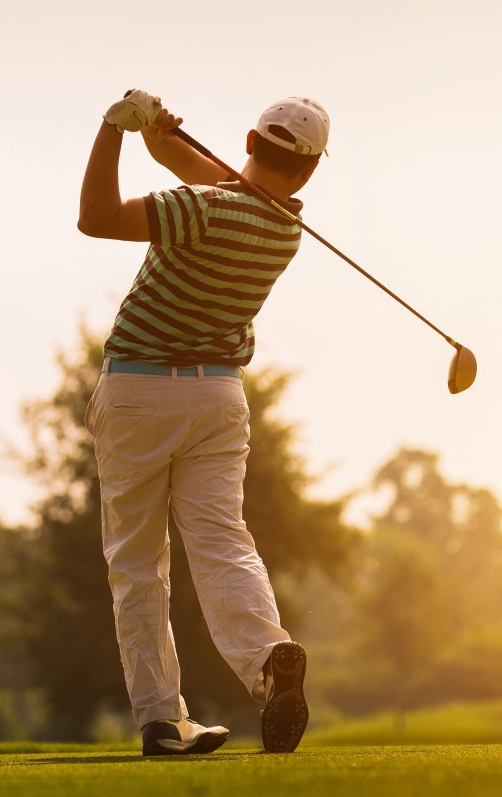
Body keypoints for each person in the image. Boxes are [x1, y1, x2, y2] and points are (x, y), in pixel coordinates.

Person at [76, 88, 328, 756]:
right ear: (310, 172)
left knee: (137, 562)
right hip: (217, 397)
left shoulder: (200, 209)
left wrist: (112, 129)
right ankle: (268, 655)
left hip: (138, 391)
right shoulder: (283, 226)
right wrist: (158, 136)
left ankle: (161, 718)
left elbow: (96, 217)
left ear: (249, 142)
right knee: (223, 543)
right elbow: (210, 179)